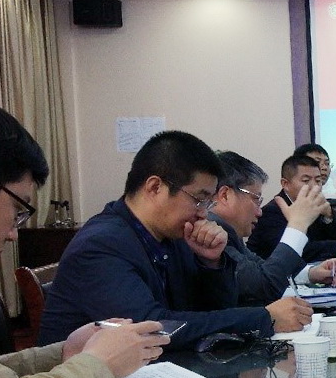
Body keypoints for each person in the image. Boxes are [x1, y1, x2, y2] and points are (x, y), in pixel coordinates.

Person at [0, 103, 169, 378]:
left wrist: (64, 354)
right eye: (19, 210)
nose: (13, 234)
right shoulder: (105, 239)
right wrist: (99, 364)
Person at [40, 131, 311, 349]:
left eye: (208, 202)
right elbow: (153, 327)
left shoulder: (174, 235)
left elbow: (212, 311)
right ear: (155, 187)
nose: (204, 213)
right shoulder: (101, 245)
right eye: (199, 199)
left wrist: (211, 264)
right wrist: (264, 319)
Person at [209, 151, 336, 305]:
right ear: (225, 195)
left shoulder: (228, 232)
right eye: (256, 199)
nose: (259, 212)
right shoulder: (209, 233)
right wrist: (298, 225)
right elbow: (264, 287)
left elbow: (260, 267)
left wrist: (311, 274)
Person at [248, 154, 336, 262]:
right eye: (306, 180)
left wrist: (328, 216)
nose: (314, 186)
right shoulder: (272, 211)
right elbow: (293, 252)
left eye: (318, 180)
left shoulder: (312, 206)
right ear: (285, 184)